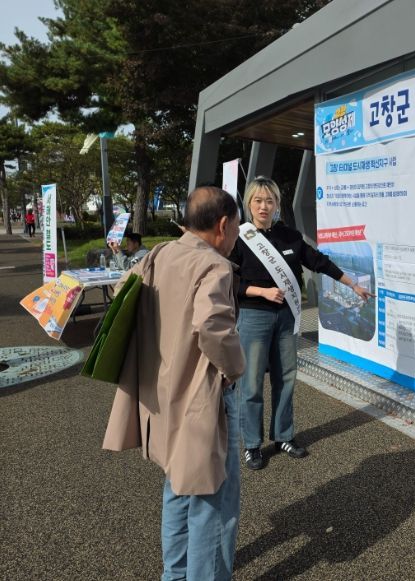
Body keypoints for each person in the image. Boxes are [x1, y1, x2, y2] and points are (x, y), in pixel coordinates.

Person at [102, 186, 245, 580]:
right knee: (211, 503)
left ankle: (175, 575)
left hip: (161, 394)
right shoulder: (214, 266)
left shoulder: (159, 253)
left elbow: (121, 292)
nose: (236, 234)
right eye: (236, 226)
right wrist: (237, 369)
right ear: (222, 225)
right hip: (201, 400)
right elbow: (213, 327)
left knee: (178, 489)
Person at [231, 176, 374, 470]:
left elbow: (318, 261)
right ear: (248, 204)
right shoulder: (239, 238)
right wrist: (260, 291)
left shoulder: (290, 236)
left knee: (286, 378)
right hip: (254, 316)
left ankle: (284, 435)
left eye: (269, 201)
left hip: (286, 317)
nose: (263, 206)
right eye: (257, 201)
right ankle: (252, 444)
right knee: (252, 383)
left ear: (277, 205)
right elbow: (228, 280)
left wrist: (353, 284)